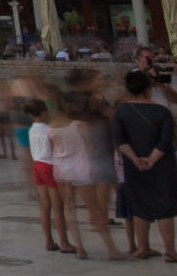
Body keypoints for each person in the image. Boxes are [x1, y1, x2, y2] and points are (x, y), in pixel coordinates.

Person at [114, 69, 177, 261]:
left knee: (139, 205)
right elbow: (165, 141)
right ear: (149, 88)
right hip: (162, 165)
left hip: (134, 165)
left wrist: (136, 159)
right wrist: (152, 160)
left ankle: (143, 247)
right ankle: (170, 251)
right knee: (165, 206)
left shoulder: (121, 111)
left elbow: (120, 139)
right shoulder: (162, 112)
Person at [57, 76, 121, 260]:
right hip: (82, 169)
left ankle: (80, 248)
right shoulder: (83, 126)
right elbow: (91, 147)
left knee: (70, 208)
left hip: (63, 170)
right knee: (96, 211)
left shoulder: (57, 127)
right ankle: (111, 250)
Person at [28, 99, 77, 255]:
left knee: (45, 206)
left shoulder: (32, 129)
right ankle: (64, 242)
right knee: (58, 208)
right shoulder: (48, 130)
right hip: (49, 167)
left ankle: (49, 240)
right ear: (44, 112)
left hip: (37, 166)